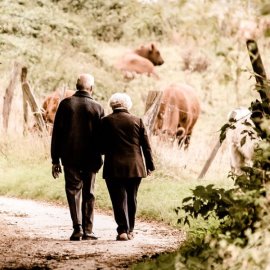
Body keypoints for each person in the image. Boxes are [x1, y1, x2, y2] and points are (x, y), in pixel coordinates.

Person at [51, 73, 104, 241]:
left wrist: (55, 160)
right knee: (89, 192)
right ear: (91, 88)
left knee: (73, 191)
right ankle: (89, 231)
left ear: (76, 86)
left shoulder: (65, 104)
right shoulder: (98, 107)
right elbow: (102, 136)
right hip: (91, 158)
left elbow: (56, 134)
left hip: (70, 156)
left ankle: (77, 228)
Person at [100, 93, 155, 241]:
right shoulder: (138, 121)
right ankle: (130, 230)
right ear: (127, 105)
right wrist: (149, 165)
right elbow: (146, 147)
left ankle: (122, 230)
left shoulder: (105, 122)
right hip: (135, 166)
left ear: (112, 105)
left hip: (113, 167)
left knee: (118, 199)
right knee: (132, 198)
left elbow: (100, 147)